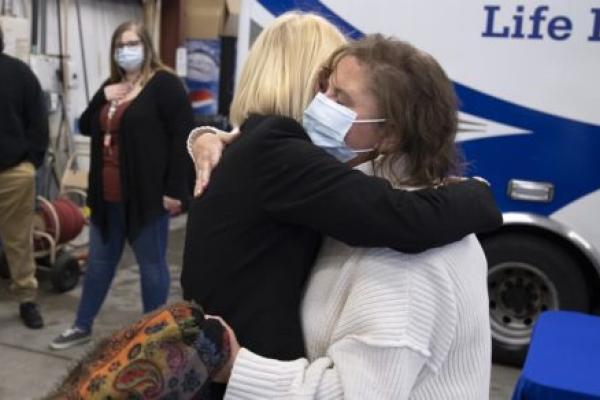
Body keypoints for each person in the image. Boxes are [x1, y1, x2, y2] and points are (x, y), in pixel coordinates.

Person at [182, 13, 500, 397]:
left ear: (391, 133)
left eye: (339, 96)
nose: (322, 103)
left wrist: (477, 193)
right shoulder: (279, 152)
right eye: (323, 87)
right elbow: (404, 217)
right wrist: (479, 193)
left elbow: (406, 217)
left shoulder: (409, 261)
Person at [50, 21, 194, 349]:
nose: (125, 50)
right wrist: (103, 96)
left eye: (132, 43)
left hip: (146, 197)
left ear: (146, 46)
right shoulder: (111, 86)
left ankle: (153, 337)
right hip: (106, 196)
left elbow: (181, 138)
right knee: (99, 262)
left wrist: (176, 190)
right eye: (120, 45)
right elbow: (87, 124)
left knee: (152, 265)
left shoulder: (164, 84)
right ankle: (81, 325)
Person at [0, 25, 49, 329]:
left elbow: (38, 120)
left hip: (14, 174)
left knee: (18, 241)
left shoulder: (20, 74)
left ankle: (26, 299)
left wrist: (31, 162)